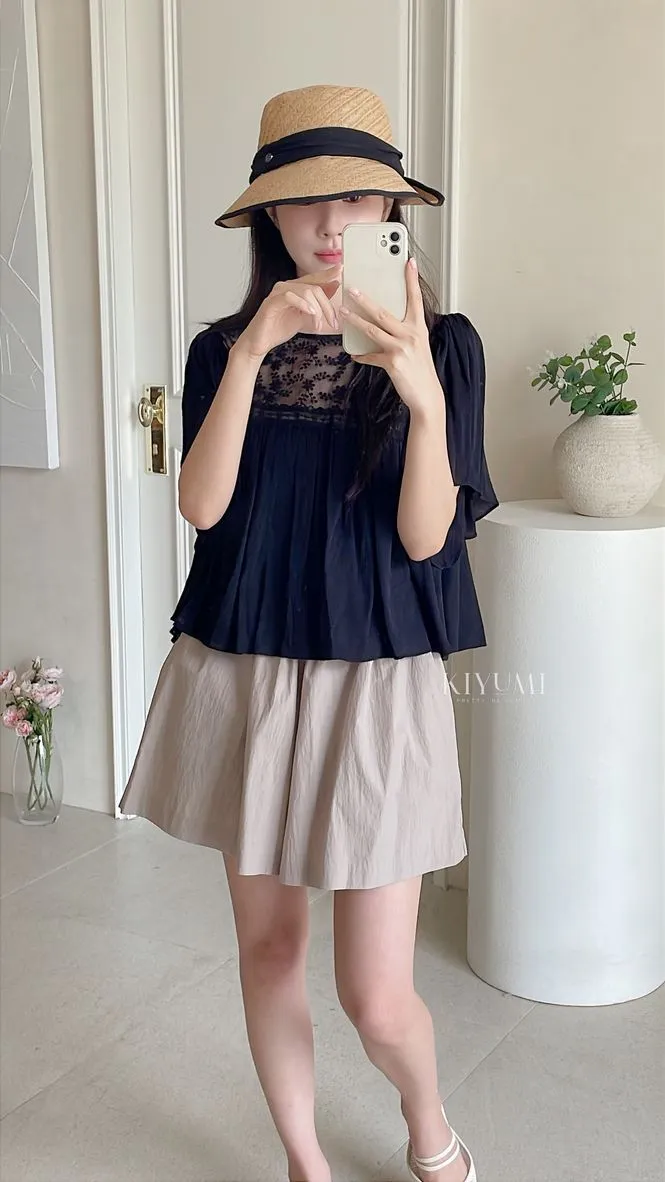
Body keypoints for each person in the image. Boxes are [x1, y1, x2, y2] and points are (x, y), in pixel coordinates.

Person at [120, 84, 498, 1182]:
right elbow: (201, 507)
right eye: (302, 201)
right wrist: (250, 353)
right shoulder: (221, 349)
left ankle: (429, 1129)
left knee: (375, 993)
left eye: (357, 200)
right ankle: (304, 1162)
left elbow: (425, 539)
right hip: (242, 673)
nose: (331, 225)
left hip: (376, 684)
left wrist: (420, 396)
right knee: (270, 950)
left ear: (390, 212)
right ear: (267, 219)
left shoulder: (447, 347)